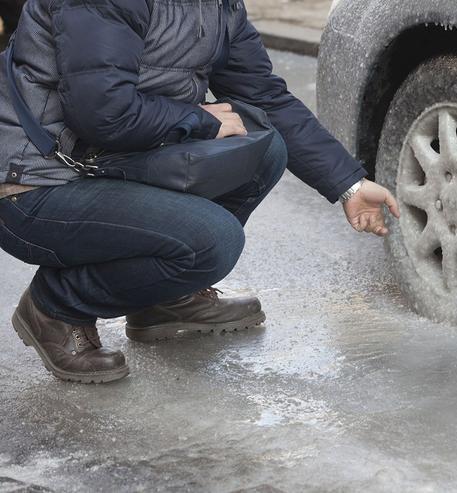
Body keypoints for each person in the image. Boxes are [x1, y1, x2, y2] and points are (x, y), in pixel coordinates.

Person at [0, 0, 400, 384]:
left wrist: (349, 185)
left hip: (106, 161)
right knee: (212, 240)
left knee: (264, 151)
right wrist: (200, 119)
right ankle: (55, 306)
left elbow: (264, 95)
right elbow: (101, 111)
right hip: (34, 184)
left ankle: (161, 299)